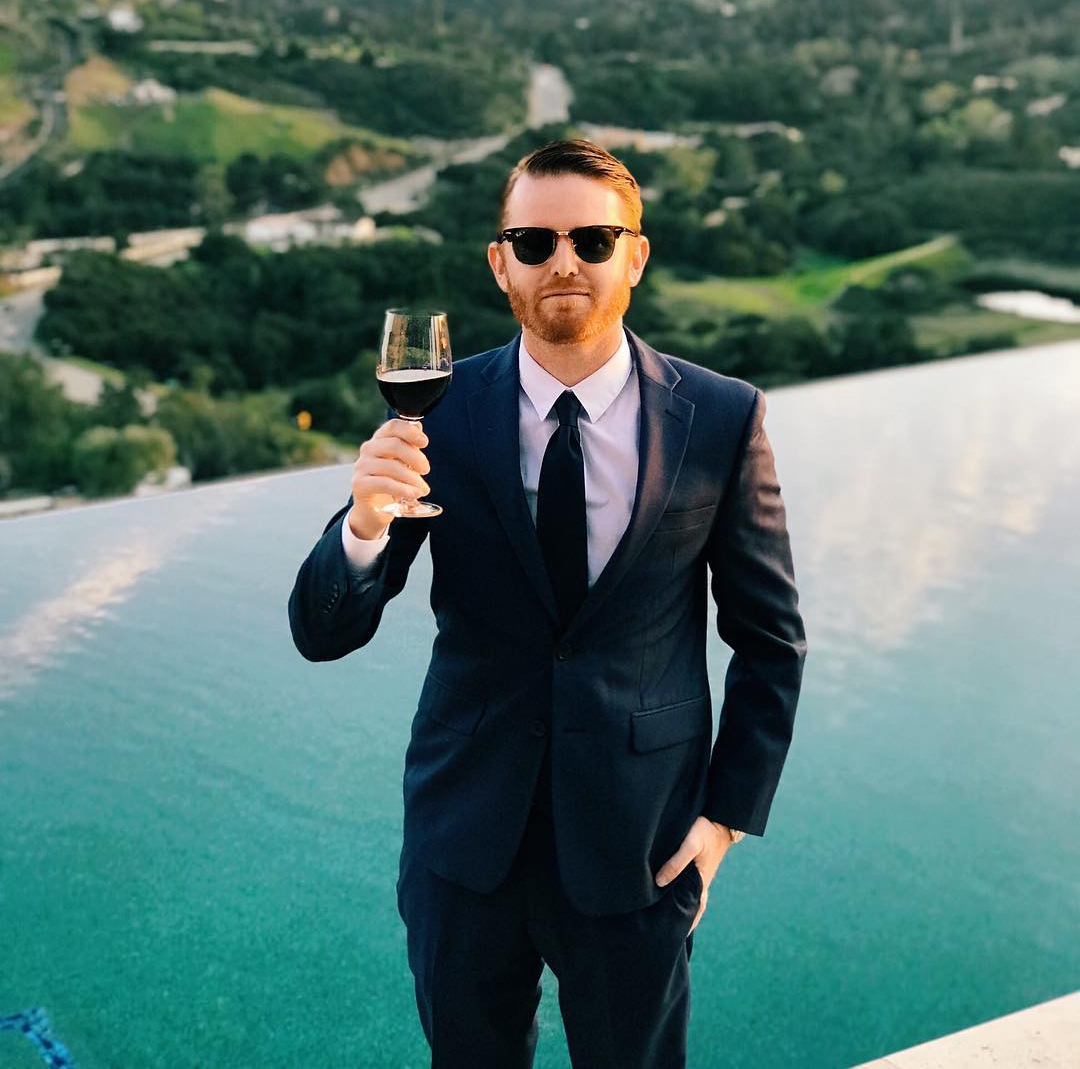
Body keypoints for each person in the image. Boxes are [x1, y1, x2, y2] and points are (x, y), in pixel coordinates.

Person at [287, 138, 807, 1068]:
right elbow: (324, 634)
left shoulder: (724, 419)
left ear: (636, 256)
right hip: (465, 842)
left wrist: (726, 819)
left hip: (641, 847)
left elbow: (771, 642)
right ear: (500, 264)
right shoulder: (438, 411)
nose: (563, 261)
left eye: (594, 239)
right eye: (534, 243)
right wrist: (363, 525)